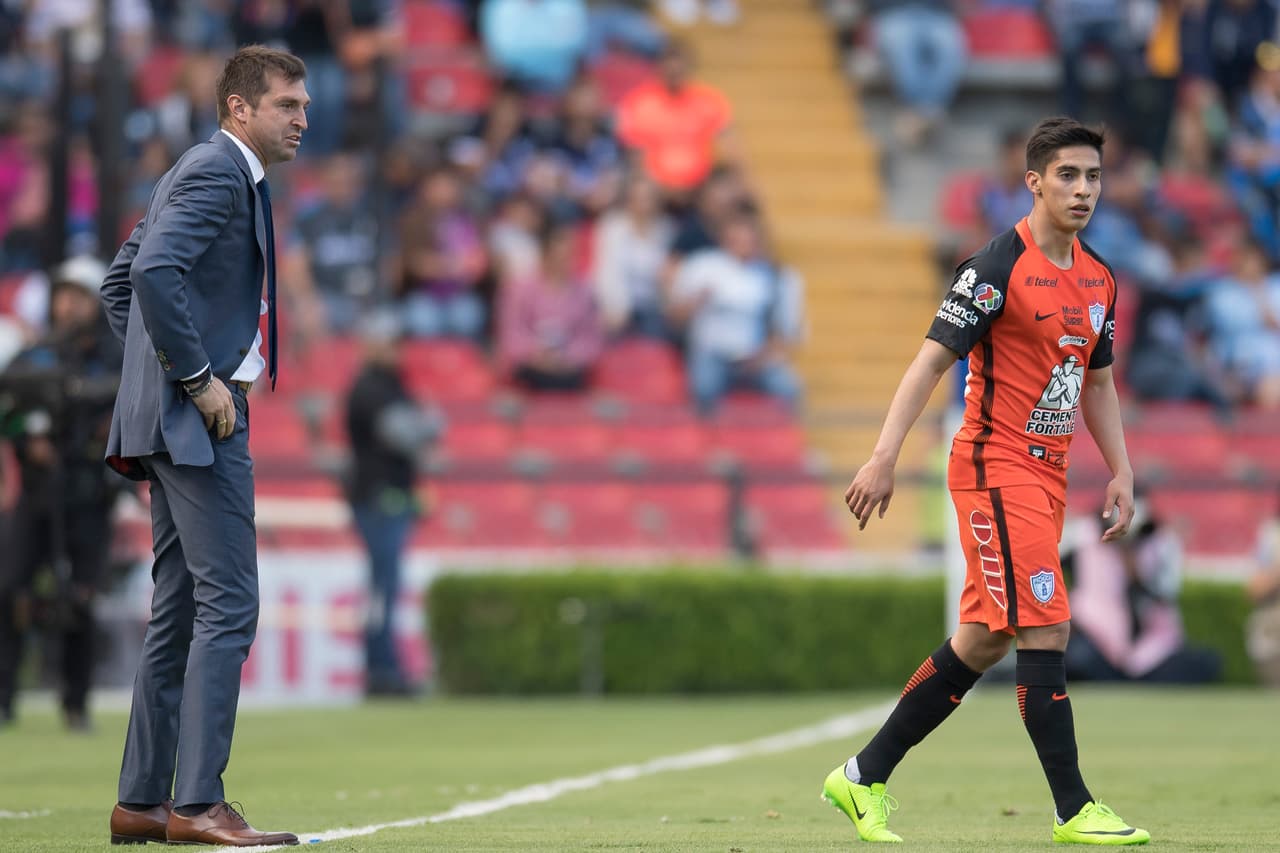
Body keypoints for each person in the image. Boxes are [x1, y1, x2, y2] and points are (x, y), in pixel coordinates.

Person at [825, 117, 1150, 845]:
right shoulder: (994, 267)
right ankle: (1075, 808)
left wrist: (1122, 468)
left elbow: (1096, 385)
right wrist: (883, 455)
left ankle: (860, 776)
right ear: (1032, 181)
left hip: (1048, 473)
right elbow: (930, 363)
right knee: (1047, 623)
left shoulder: (1099, 278)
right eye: (1067, 175)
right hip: (993, 465)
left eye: (1093, 176)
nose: (1083, 190)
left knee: (983, 640)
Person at [98, 46, 305, 847]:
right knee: (230, 606)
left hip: (171, 417)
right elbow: (150, 272)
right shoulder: (220, 173)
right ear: (239, 109)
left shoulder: (201, 169)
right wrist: (193, 376)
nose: (302, 117)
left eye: (303, 103)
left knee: (181, 610)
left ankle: (144, 801)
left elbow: (123, 283)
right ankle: (197, 805)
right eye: (287, 104)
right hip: (199, 420)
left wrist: (154, 381)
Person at [0, 256, 122, 731]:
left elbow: (120, 404)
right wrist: (28, 438)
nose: (68, 307)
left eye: (78, 297)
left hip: (88, 496)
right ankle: (4, 697)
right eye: (62, 296)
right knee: (11, 591)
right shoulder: (34, 356)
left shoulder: (112, 357)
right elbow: (8, 404)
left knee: (81, 599)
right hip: (36, 495)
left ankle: (76, 703)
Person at [345, 311, 441, 698]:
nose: (396, 349)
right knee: (383, 586)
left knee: (386, 584)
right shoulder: (370, 388)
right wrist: (428, 423)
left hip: (390, 497)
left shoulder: (391, 385)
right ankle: (382, 671)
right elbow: (406, 433)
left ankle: (384, 667)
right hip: (377, 498)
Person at [1064, 493, 1222, 683]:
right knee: (1078, 659)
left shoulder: (1155, 548)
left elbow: (1164, 596)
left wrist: (1137, 571)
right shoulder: (1086, 540)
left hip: (1147, 651)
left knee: (1205, 662)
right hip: (1096, 639)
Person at [668, 212, 803, 414]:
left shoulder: (775, 276)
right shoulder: (704, 267)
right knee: (704, 388)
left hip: (756, 356)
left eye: (747, 239)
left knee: (789, 388)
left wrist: (765, 355)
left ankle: (789, 443)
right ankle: (705, 441)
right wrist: (696, 302)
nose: (742, 244)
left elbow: (785, 331)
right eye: (736, 239)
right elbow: (674, 318)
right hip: (712, 354)